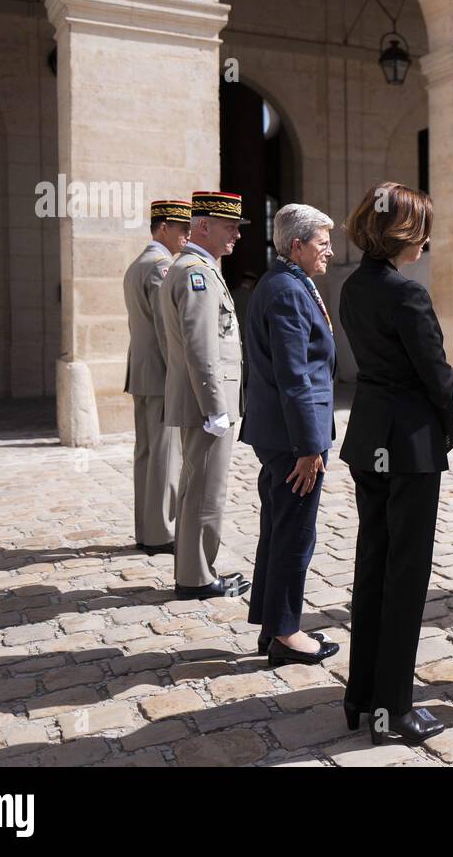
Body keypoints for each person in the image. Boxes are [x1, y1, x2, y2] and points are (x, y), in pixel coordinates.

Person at [340, 182, 453, 745]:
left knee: (372, 565)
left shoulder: (353, 286)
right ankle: (394, 709)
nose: (427, 242)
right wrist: (447, 432)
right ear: (402, 233)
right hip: (408, 447)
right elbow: (437, 375)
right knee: (405, 577)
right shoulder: (406, 294)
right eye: (421, 231)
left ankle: (361, 694)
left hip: (368, 438)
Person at [239, 203, 341, 667]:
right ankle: (285, 634)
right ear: (296, 246)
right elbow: (295, 376)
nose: (330, 252)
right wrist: (308, 447)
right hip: (291, 438)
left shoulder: (287, 281)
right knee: (295, 535)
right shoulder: (286, 291)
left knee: (279, 529)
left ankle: (271, 625)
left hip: (280, 433)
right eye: (322, 244)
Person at [159, 191, 250, 600]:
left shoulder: (199, 268)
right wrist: (215, 406)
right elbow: (200, 347)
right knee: (204, 491)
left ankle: (197, 570)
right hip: (206, 402)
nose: (236, 235)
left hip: (203, 399)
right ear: (204, 226)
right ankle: (196, 578)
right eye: (230, 226)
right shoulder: (195, 273)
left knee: (200, 486)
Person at [123, 199, 190, 556]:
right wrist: (181, 376)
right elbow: (167, 331)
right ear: (163, 227)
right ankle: (161, 532)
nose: (186, 237)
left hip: (142, 372)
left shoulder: (138, 264)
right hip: (161, 374)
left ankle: (146, 528)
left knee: (147, 455)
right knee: (164, 456)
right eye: (182, 230)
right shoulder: (161, 267)